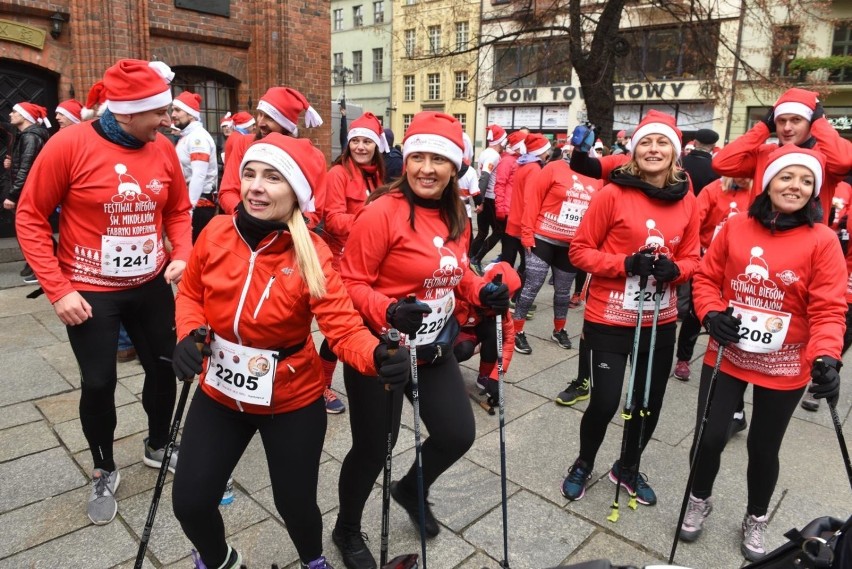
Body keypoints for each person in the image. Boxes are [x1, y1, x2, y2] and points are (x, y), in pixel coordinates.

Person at [170, 132, 409, 569]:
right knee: (189, 502)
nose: (256, 186)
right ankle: (221, 559)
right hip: (221, 392)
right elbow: (189, 294)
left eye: (273, 177)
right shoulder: (216, 232)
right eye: (250, 174)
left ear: (296, 192)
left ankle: (312, 560)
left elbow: (342, 327)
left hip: (291, 398)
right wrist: (188, 333)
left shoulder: (311, 252)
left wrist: (378, 357)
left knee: (296, 504)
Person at [14, 58, 193, 525]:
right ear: (130, 112)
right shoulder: (69, 145)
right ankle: (103, 466)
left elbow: (177, 209)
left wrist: (183, 253)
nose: (167, 121)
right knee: (99, 382)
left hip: (151, 282)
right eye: (160, 113)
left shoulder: (163, 148)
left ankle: (158, 445)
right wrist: (58, 290)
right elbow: (31, 217)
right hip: (90, 289)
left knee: (164, 369)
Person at [333, 111, 510, 569]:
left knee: (456, 433)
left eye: (439, 159)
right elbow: (348, 283)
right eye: (418, 157)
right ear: (405, 161)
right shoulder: (381, 213)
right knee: (376, 447)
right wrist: (389, 309)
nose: (426, 168)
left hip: (433, 347)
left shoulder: (456, 214)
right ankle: (347, 529)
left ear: (456, 168)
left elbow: (453, 274)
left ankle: (411, 487)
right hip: (382, 350)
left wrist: (480, 290)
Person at [683, 146, 845, 562]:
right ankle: (699, 498)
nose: (795, 186)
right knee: (710, 436)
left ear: (815, 192)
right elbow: (706, 278)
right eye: (787, 177)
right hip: (729, 353)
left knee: (763, 446)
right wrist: (711, 313)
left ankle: (756, 516)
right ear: (768, 181)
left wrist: (827, 357)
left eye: (806, 181)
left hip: (785, 362)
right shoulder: (736, 227)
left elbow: (828, 307)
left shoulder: (823, 240)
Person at [562, 110, 700, 505]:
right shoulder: (612, 193)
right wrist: (625, 264)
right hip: (609, 317)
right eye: (645, 142)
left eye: (661, 143)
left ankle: (628, 465)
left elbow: (694, 257)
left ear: (674, 154)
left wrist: (676, 270)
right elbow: (580, 251)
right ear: (633, 151)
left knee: (648, 403)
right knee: (605, 402)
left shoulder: (686, 200)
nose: (653, 149)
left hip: (660, 319)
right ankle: (584, 462)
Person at [319, 112, 388, 414]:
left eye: (367, 141)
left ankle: (367, 372)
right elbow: (332, 219)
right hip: (342, 263)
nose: (361, 146)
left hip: (373, 260)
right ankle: (321, 385)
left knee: (366, 324)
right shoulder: (338, 174)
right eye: (355, 141)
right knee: (341, 328)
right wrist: (370, 221)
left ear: (376, 145)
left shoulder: (380, 175)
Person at [513, 132, 598, 355]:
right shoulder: (553, 168)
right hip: (542, 239)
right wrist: (527, 234)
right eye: (573, 149)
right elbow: (533, 200)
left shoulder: (596, 176)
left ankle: (559, 329)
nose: (577, 153)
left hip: (571, 244)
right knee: (532, 286)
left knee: (563, 292)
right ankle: (516, 330)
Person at [218, 87, 323, 215]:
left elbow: (314, 210)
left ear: (286, 124)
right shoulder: (244, 144)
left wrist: (285, 226)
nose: (260, 122)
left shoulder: (313, 157)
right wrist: (247, 219)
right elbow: (227, 191)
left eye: (270, 118)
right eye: (260, 114)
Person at [4, 102, 51, 283]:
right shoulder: (25, 135)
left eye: (15, 112)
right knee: (31, 229)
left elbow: (27, 168)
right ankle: (35, 265)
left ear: (24, 116)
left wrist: (12, 195)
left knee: (31, 230)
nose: (11, 115)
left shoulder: (30, 137)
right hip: (27, 190)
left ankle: (39, 267)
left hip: (28, 191)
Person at [170, 91, 219, 242]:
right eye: (172, 110)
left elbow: (199, 175)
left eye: (177, 110)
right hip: (192, 203)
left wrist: (189, 208)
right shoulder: (187, 136)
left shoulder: (198, 138)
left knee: (194, 251)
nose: (172, 114)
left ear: (191, 115)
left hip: (199, 205)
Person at [469, 124, 507, 272]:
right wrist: (481, 201)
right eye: (505, 140)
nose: (507, 143)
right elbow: (484, 177)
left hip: (485, 196)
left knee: (483, 232)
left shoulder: (485, 152)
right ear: (500, 141)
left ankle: (470, 258)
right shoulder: (494, 155)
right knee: (498, 231)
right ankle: (476, 258)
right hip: (490, 198)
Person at [681, 129, 720, 196]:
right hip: (702, 205)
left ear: (695, 143)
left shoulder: (679, 162)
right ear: (713, 146)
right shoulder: (716, 168)